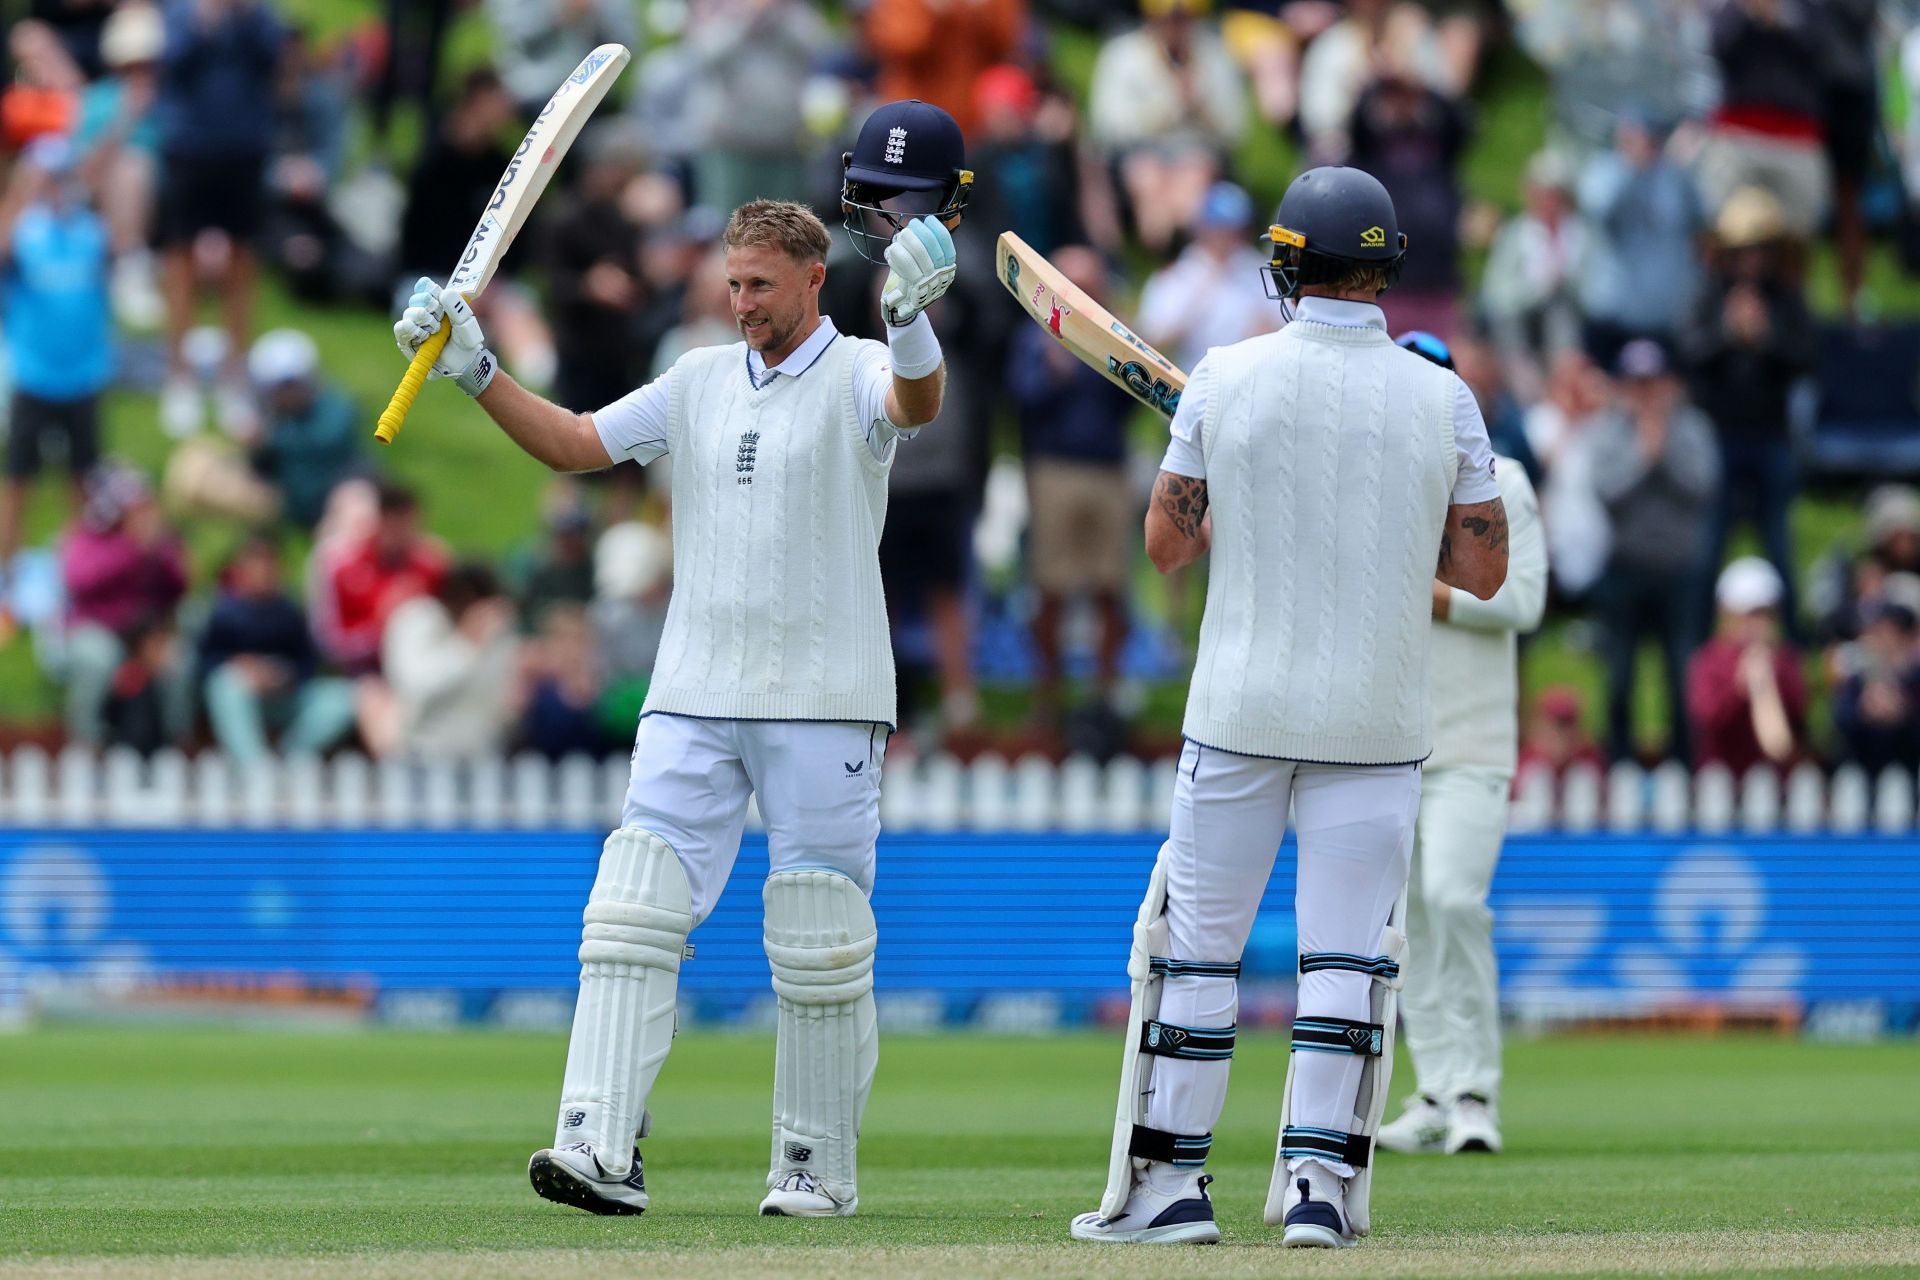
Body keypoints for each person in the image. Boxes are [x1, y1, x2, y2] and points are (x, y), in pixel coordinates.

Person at [391, 101, 967, 1218]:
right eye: (731, 283)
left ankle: (814, 1169)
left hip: (826, 695)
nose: (742, 303)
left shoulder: (857, 368)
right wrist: (474, 368)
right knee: (630, 907)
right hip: (694, 688)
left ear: (812, 279)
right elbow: (573, 443)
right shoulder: (698, 378)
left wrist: (909, 321)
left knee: (817, 935)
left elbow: (919, 403)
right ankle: (598, 1143)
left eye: (762, 284)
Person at [1070, 167, 1507, 1249]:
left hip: (1242, 707)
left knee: (1197, 952)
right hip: (1379, 717)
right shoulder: (1440, 393)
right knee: (1347, 961)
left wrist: (1230, 474)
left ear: (1285, 264)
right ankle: (1319, 1188)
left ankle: (1171, 1190)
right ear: (1387, 267)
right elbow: (1486, 570)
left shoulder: (1225, 376)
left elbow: (1168, 546)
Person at [1375, 335, 1545, 1159]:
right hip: (1388, 737)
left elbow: (1525, 602)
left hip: (1473, 742)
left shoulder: (1502, 481)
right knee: (1407, 923)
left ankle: (1477, 1091)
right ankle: (1437, 1088)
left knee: (1452, 900)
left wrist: (1430, 595)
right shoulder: (1375, 486)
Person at [1006, 246, 1136, 746]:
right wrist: (1052, 371)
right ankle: (1049, 700)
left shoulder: (1116, 332)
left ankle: (1104, 700)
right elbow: (1021, 397)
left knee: (1110, 589)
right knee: (1052, 589)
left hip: (1107, 470)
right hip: (1054, 470)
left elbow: (1133, 401)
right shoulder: (1035, 335)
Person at [1686, 187, 1814, 643]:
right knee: (1707, 553)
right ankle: (1699, 648)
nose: (1752, 260)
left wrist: (1765, 338)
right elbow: (1690, 355)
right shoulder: (1709, 296)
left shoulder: (1787, 298)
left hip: (1771, 439)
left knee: (1780, 548)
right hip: (1718, 441)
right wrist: (1728, 333)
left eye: (1761, 250)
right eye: (1744, 250)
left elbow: (1806, 359)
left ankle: (1794, 648)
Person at [152, 0, 285, 439]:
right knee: (180, 260)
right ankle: (179, 375)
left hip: (245, 149)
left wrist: (243, 16)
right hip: (188, 147)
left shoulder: (260, 13)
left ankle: (234, 377)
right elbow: (172, 66)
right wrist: (204, 21)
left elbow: (273, 63)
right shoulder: (178, 11)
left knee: (243, 264)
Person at [1588, 339, 1720, 763]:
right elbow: (1606, 492)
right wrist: (1644, 456)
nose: (1645, 392)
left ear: (1669, 383)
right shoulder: (1608, 429)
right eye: (1636, 383)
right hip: (1624, 568)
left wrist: (1665, 452)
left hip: (1681, 571)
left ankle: (1685, 762)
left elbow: (1703, 487)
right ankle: (1620, 760)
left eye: (1652, 382)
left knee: (1682, 673)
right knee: (1620, 673)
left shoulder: (1693, 427)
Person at [0, 137, 113, 585]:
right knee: (18, 483)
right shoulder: (23, 233)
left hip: (85, 377)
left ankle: (78, 576)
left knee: (82, 484)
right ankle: (6, 575)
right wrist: (22, 193)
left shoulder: (91, 232)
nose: (56, 185)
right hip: (34, 378)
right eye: (48, 177)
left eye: (61, 176)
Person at [1087, 0, 1248, 251]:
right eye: (1169, 18)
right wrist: (1171, 105)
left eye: (1183, 18)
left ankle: (1181, 254)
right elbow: (1111, 126)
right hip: (1139, 151)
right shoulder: (1122, 54)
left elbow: (1234, 130)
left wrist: (1200, 105)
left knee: (1193, 176)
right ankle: (1167, 256)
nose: (1176, 26)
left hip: (1197, 149)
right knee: (1148, 177)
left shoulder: (1215, 54)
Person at [56, 464, 191, 747]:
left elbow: (179, 588)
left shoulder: (160, 540)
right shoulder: (89, 535)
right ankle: (87, 742)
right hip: (97, 628)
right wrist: (131, 548)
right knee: (99, 660)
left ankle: (176, 744)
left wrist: (163, 552)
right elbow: (79, 581)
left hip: (147, 633)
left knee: (178, 662)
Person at [200, 535, 355, 762]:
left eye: (268, 564)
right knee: (224, 685)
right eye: (256, 564)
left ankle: (291, 756)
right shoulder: (223, 613)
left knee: (343, 697)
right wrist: (241, 668)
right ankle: (253, 765)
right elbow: (205, 665)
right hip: (241, 695)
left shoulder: (289, 612)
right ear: (241, 570)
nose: (263, 571)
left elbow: (307, 663)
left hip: (286, 696)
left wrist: (282, 676)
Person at [363, 560, 521, 759]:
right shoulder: (417, 622)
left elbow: (501, 706)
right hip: (420, 752)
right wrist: (468, 644)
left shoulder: (496, 635)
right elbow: (418, 688)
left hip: (480, 756)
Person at [1137, 181, 1286, 372]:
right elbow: (1150, 337)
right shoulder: (1179, 276)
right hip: (1196, 380)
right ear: (1202, 228)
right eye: (1220, 229)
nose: (1228, 238)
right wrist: (1190, 313)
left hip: (1254, 377)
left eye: (1236, 230)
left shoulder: (1260, 270)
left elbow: (1286, 326)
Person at [1686, 556, 1806, 777]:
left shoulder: (1785, 660)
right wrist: (1739, 689)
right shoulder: (1710, 660)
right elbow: (1707, 718)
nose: (1756, 623)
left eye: (1764, 613)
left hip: (1777, 786)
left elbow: (1796, 720)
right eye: (1749, 614)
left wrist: (1769, 679)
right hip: (1719, 784)